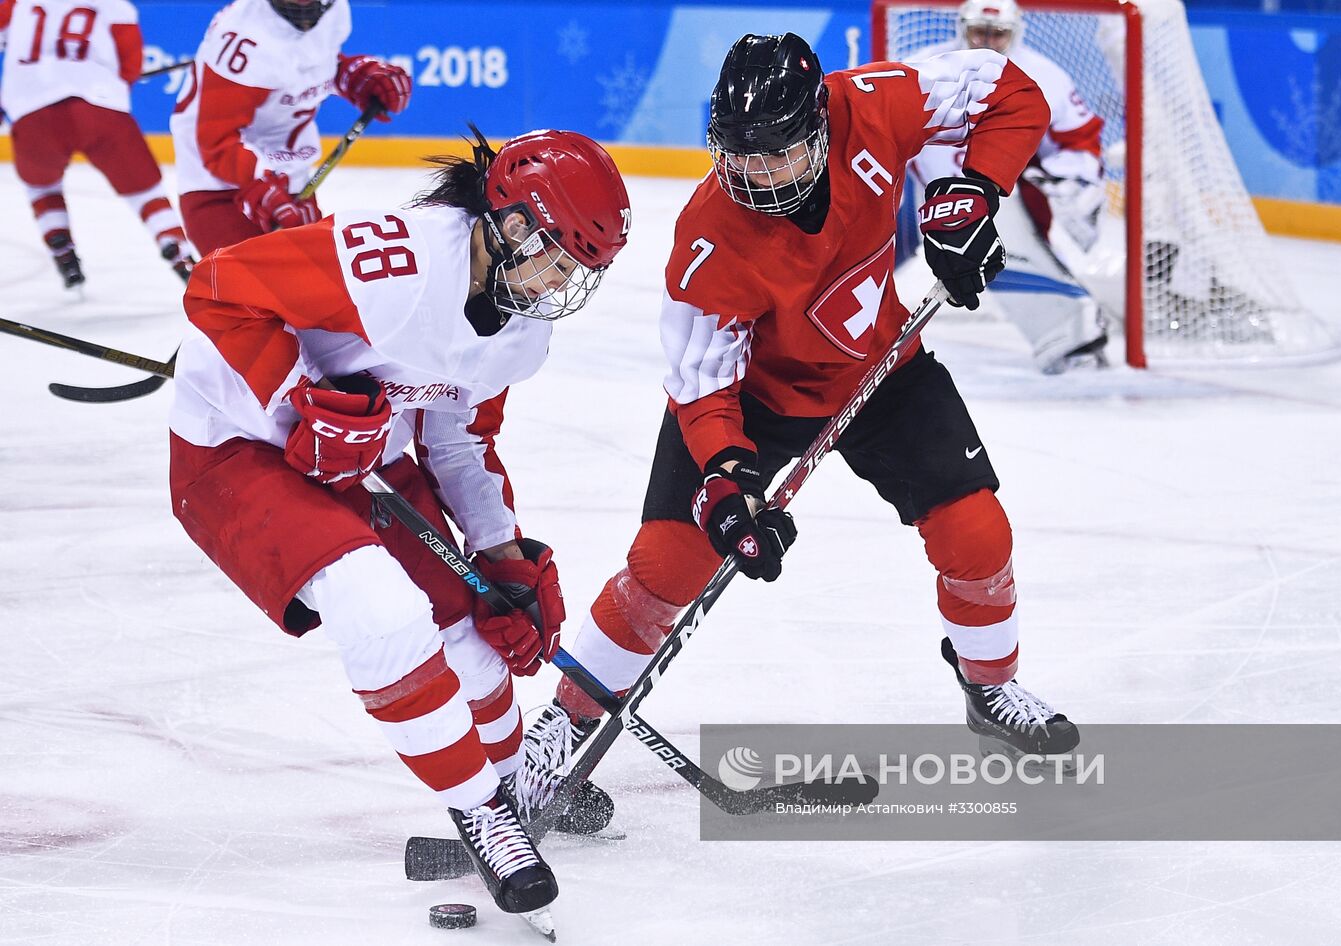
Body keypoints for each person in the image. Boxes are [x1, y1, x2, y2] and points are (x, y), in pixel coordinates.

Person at [535, 33, 1079, 787]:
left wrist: (974, 192)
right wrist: (728, 485)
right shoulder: (708, 239)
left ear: (821, 125)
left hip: (880, 370)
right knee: (665, 567)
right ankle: (562, 732)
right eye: (740, 156)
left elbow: (1012, 92)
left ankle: (989, 685)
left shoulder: (880, 102)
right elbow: (704, 388)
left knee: (977, 532)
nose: (757, 176)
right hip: (752, 403)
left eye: (779, 153)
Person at [166, 129, 630, 936]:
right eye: (558, 257)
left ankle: (514, 786)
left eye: (579, 271)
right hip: (239, 452)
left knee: (476, 644)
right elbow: (218, 285)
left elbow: (460, 439)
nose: (564, 283)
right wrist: (300, 392)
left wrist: (501, 554)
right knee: (382, 612)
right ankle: (483, 815)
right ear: (513, 223)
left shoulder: (524, 332)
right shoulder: (396, 265)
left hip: (365, 460)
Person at [907, 0, 1110, 373]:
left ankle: (1071, 338)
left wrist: (1068, 178)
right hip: (916, 189)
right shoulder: (925, 66)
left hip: (999, 196)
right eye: (978, 32)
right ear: (961, 28)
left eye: (997, 34)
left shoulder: (1044, 76)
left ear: (1015, 33)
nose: (986, 41)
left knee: (1002, 253)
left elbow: (1078, 139)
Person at [169, 0, 411, 256]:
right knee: (245, 294)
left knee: (318, 292)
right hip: (218, 187)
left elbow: (304, 67)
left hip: (288, 177)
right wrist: (264, 187)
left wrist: (350, 77)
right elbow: (216, 142)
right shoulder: (243, 35)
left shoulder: (334, 10)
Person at [0, 0, 196, 289]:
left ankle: (61, 247)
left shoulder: (16, 3)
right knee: (146, 191)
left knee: (40, 184)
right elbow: (130, 64)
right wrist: (110, 83)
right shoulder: (115, 5)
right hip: (99, 108)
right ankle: (176, 248)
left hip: (33, 112)